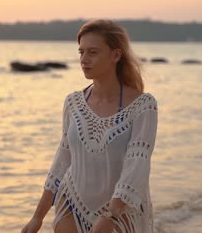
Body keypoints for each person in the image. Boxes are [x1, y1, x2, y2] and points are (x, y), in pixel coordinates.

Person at [21, 19, 158, 233]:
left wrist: (111, 215)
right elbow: (62, 159)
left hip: (121, 211)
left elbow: (137, 165)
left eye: (93, 52)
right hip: (72, 202)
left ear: (116, 55)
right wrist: (37, 217)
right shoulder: (73, 103)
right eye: (81, 52)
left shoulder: (143, 106)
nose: (84, 60)